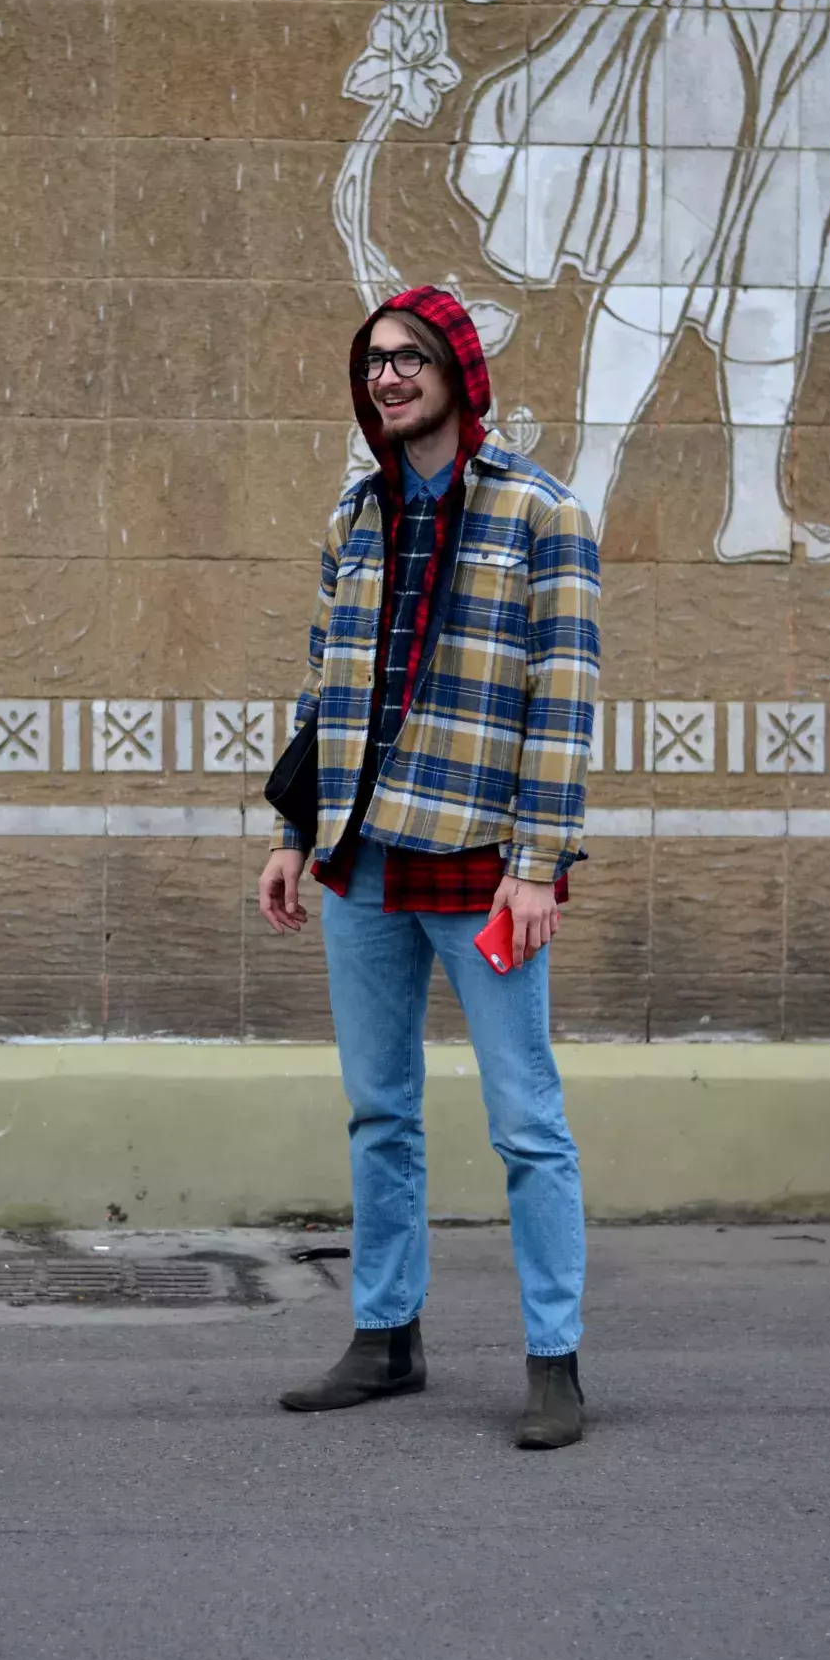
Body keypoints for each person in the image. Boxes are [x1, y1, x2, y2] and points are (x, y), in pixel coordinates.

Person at [258, 286, 600, 1449]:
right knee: (378, 1113)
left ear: (456, 372)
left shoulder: (541, 512)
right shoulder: (354, 514)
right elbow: (321, 686)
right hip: (361, 862)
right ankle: (385, 1336)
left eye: (409, 357)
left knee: (525, 1124)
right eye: (372, 361)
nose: (388, 377)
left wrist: (536, 865)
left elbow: (562, 704)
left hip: (481, 866)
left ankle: (552, 1359)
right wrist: (293, 833)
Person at [450, 0, 830, 566]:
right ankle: (584, 496)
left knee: (778, 276)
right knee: (661, 262)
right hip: (715, 22)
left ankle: (754, 513)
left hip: (821, 23)